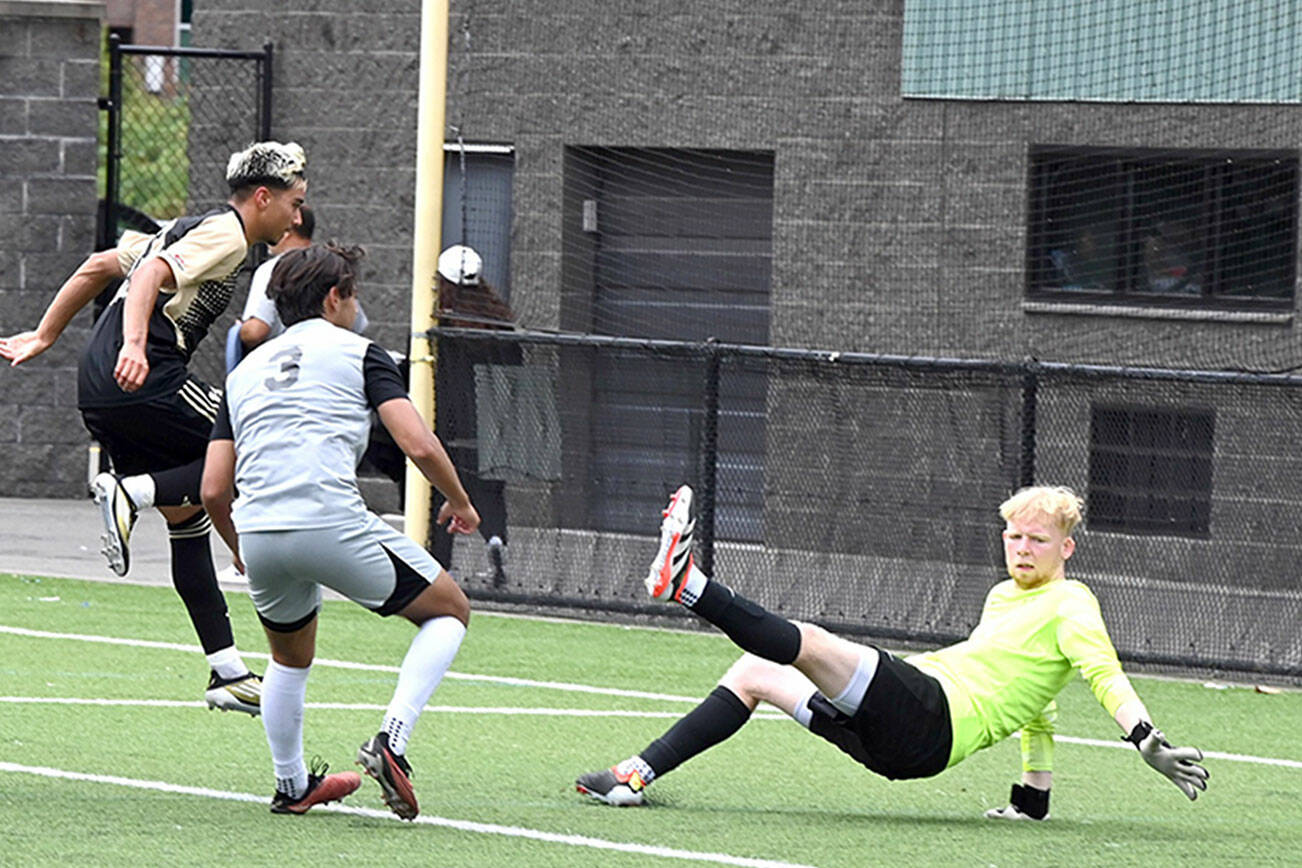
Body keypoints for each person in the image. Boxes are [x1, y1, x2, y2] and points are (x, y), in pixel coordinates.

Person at [576, 485, 1209, 820]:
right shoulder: (1002, 597)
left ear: (1066, 548)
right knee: (754, 674)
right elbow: (1037, 705)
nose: (1021, 548)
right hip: (899, 746)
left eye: (1037, 540)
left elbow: (1103, 675)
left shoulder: (1071, 604)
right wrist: (1032, 800)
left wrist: (1144, 737)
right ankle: (634, 778)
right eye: (1013, 536)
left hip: (933, 716)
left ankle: (687, 586)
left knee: (812, 643)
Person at [0, 140, 309, 716]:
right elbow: (150, 277)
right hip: (144, 376)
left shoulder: (181, 229)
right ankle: (132, 493)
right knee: (251, 438)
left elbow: (98, 266)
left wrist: (44, 336)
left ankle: (227, 672)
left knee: (186, 515)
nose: (296, 218)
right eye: (295, 203)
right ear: (264, 197)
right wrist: (137, 345)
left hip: (99, 381)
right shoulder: (227, 234)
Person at [201, 243, 481, 817]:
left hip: (259, 530)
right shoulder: (362, 353)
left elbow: (212, 489)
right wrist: (461, 502)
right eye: (354, 296)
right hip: (328, 519)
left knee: (288, 660)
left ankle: (291, 785)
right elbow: (418, 444)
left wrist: (239, 549)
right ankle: (392, 742)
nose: (357, 307)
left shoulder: (244, 371)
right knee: (449, 610)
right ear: (334, 298)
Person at [432, 244, 520, 585]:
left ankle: (443, 565)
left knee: (441, 490)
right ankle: (496, 541)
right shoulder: (500, 325)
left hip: (450, 423)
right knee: (490, 490)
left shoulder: (442, 326)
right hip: (493, 424)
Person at [238, 205, 369, 350]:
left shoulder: (271, 269)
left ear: (287, 231)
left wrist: (239, 330)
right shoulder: (332, 266)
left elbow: (255, 332)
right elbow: (357, 324)